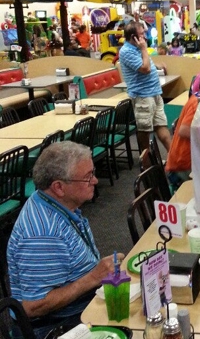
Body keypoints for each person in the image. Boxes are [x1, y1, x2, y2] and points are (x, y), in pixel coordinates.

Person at [7, 142, 123, 339]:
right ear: (59, 187)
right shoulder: (42, 235)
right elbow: (33, 306)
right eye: (87, 177)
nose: (95, 180)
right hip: (54, 328)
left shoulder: (56, 204)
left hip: (77, 310)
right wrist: (94, 277)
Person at [119, 21, 171, 153]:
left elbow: (148, 63)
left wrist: (157, 66)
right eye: (142, 34)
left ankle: (174, 159)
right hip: (142, 96)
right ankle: (146, 164)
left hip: (155, 93)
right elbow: (145, 68)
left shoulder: (138, 48)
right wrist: (143, 49)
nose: (145, 36)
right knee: (144, 131)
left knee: (161, 126)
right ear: (133, 37)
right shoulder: (126, 51)